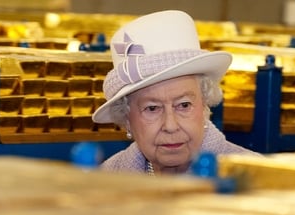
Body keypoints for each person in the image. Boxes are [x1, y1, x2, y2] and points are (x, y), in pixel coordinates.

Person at [92, 10, 260, 175]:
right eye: (152, 108)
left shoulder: (253, 178)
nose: (170, 126)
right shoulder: (106, 179)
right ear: (127, 119)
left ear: (204, 106)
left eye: (184, 105)